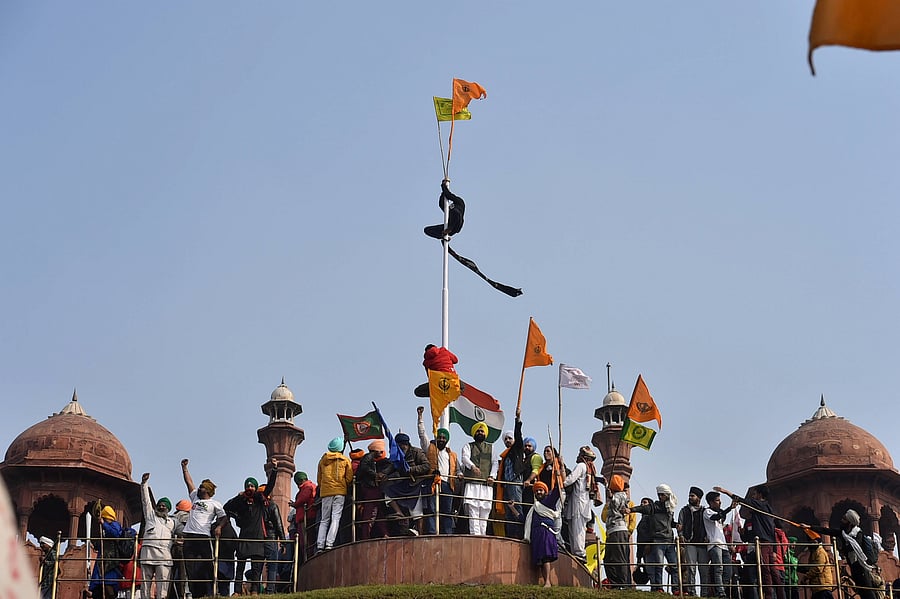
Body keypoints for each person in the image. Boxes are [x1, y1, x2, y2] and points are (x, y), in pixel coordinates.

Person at [715, 485, 785, 599]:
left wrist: (725, 491)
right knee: (771, 572)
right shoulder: (763, 512)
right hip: (761, 546)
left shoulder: (760, 505)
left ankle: (769, 596)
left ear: (760, 495)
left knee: (766, 570)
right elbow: (750, 537)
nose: (753, 497)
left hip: (762, 545)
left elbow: (740, 500)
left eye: (755, 494)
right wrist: (743, 533)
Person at [223, 460, 278, 594]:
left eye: (252, 486)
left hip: (258, 538)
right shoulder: (241, 502)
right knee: (240, 567)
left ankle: (254, 591)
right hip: (244, 538)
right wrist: (239, 496)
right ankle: (236, 591)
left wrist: (275, 469)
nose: (250, 488)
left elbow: (270, 486)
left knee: (256, 568)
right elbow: (226, 507)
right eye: (248, 486)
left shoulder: (260, 500)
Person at [803, 509, 883, 599]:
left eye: (844, 519)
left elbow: (856, 550)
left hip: (862, 568)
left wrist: (845, 548)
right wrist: (809, 527)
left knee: (867, 592)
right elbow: (827, 531)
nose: (842, 520)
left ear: (850, 522)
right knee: (862, 592)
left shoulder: (857, 534)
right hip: (854, 567)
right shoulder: (844, 534)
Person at [180, 458, 228, 599]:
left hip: (203, 536)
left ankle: (214, 590)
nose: (198, 488)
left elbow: (224, 517)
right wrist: (184, 468)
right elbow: (189, 483)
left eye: (201, 487)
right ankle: (195, 594)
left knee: (208, 565)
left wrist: (219, 527)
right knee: (190, 567)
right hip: (189, 535)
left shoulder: (215, 504)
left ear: (207, 490)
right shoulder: (195, 498)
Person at [629, 484, 681, 593]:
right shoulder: (655, 507)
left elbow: (670, 523)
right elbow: (644, 508)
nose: (660, 497)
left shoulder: (669, 508)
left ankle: (676, 589)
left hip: (669, 540)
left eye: (662, 495)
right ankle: (659, 588)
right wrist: (631, 510)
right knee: (659, 565)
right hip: (658, 540)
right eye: (659, 495)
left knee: (674, 565)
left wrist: (676, 525)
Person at [417, 406, 458, 535]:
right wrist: (420, 417)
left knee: (447, 511)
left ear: (446, 440)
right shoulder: (430, 447)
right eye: (439, 437)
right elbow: (422, 434)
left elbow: (458, 469)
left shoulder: (452, 454)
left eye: (443, 438)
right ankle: (432, 532)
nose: (441, 439)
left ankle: (447, 533)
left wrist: (460, 475)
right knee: (432, 509)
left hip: (447, 484)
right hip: (432, 482)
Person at [382, 432, 432, 536]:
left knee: (417, 513)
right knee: (387, 493)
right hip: (403, 485)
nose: (402, 447)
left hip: (416, 485)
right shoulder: (397, 455)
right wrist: (383, 474)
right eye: (399, 445)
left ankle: (420, 534)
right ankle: (399, 513)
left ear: (407, 444)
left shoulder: (417, 452)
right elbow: (391, 467)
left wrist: (412, 470)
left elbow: (427, 466)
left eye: (403, 444)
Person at [139, 473, 175, 599]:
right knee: (145, 583)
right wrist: (144, 484)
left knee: (163, 583)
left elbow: (180, 532)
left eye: (164, 505)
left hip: (164, 555)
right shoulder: (150, 515)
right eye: (160, 505)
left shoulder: (172, 522)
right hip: (148, 551)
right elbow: (146, 501)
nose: (161, 506)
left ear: (168, 509)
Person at [562, 446, 600, 562]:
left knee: (578, 528)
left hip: (579, 503)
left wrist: (561, 478)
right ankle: (576, 552)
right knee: (574, 528)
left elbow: (569, 480)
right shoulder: (589, 469)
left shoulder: (581, 466)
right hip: (580, 502)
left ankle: (580, 552)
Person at [316, 437, 353, 552]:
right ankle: (329, 544)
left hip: (326, 492)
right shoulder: (345, 460)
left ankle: (320, 545)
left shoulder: (322, 461)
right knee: (335, 518)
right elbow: (349, 478)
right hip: (340, 492)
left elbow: (319, 479)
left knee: (324, 519)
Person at [460, 422, 497, 535]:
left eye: (482, 431)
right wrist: (472, 466)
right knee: (473, 511)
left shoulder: (491, 447)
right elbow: (465, 458)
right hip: (472, 484)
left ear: (485, 434)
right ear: (474, 433)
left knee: (485, 512)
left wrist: (492, 476)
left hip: (486, 485)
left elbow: (495, 463)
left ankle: (482, 535)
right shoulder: (468, 446)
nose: (480, 432)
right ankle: (475, 535)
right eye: (478, 431)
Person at [524, 481, 562, 588]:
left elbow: (556, 492)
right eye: (536, 491)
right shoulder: (534, 508)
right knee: (540, 559)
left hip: (546, 532)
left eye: (540, 490)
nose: (538, 492)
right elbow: (524, 520)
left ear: (545, 492)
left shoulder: (548, 502)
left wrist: (558, 473)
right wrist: (512, 508)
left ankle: (548, 582)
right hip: (536, 535)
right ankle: (546, 581)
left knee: (546, 558)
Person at [88, 504, 128, 599]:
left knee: (109, 583)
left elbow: (115, 534)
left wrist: (104, 524)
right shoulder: (104, 528)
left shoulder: (115, 524)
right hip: (103, 559)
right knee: (99, 584)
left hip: (111, 560)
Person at [354, 442, 390, 540]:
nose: (382, 452)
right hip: (370, 488)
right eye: (380, 450)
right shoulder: (368, 457)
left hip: (370, 487)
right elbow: (365, 468)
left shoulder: (370, 459)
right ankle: (366, 536)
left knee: (377, 512)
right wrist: (375, 475)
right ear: (375, 450)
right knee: (369, 512)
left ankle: (384, 533)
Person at [497, 420, 526, 539]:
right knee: (509, 511)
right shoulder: (505, 455)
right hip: (506, 485)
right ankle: (510, 536)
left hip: (515, 483)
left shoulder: (517, 450)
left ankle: (519, 535)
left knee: (516, 509)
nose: (508, 441)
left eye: (509, 438)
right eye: (506, 439)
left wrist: (517, 421)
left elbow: (519, 437)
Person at [603, 474, 633, 589]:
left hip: (618, 530)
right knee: (608, 559)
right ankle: (615, 583)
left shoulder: (621, 495)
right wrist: (607, 486)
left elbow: (616, 503)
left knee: (619, 558)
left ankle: (624, 584)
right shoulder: (615, 495)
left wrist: (611, 496)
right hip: (611, 530)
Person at [678, 486, 710, 596]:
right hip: (690, 542)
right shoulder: (684, 510)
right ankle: (692, 591)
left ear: (699, 498)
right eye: (690, 495)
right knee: (691, 568)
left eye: (693, 496)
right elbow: (680, 525)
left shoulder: (705, 511)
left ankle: (704, 593)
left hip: (702, 544)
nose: (690, 497)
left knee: (704, 570)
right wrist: (681, 536)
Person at [703, 490, 734, 598]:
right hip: (714, 544)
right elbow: (715, 517)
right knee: (719, 569)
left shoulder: (719, 512)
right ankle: (720, 593)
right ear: (711, 502)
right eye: (717, 500)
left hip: (724, 545)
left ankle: (720, 591)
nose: (720, 502)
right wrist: (729, 508)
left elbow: (721, 516)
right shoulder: (707, 512)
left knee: (728, 571)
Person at [258, 484, 285, 594]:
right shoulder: (272, 506)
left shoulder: (256, 507)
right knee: (272, 565)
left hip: (259, 538)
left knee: (258, 565)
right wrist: (283, 541)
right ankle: (270, 590)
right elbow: (278, 524)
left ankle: (256, 589)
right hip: (271, 538)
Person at [167, 499, 192, 599]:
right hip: (183, 548)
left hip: (171, 548)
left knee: (170, 574)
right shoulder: (187, 516)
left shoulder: (171, 517)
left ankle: (169, 595)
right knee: (184, 574)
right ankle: (185, 595)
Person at [289, 471, 317, 556]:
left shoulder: (307, 487)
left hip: (306, 517)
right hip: (308, 516)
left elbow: (303, 498)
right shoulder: (312, 486)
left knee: (305, 541)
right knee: (308, 540)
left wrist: (294, 504)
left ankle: (308, 557)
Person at [798, 533, 835, 599]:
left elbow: (818, 568)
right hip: (818, 587)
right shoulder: (814, 552)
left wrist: (806, 576)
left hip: (822, 586)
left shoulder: (820, 552)